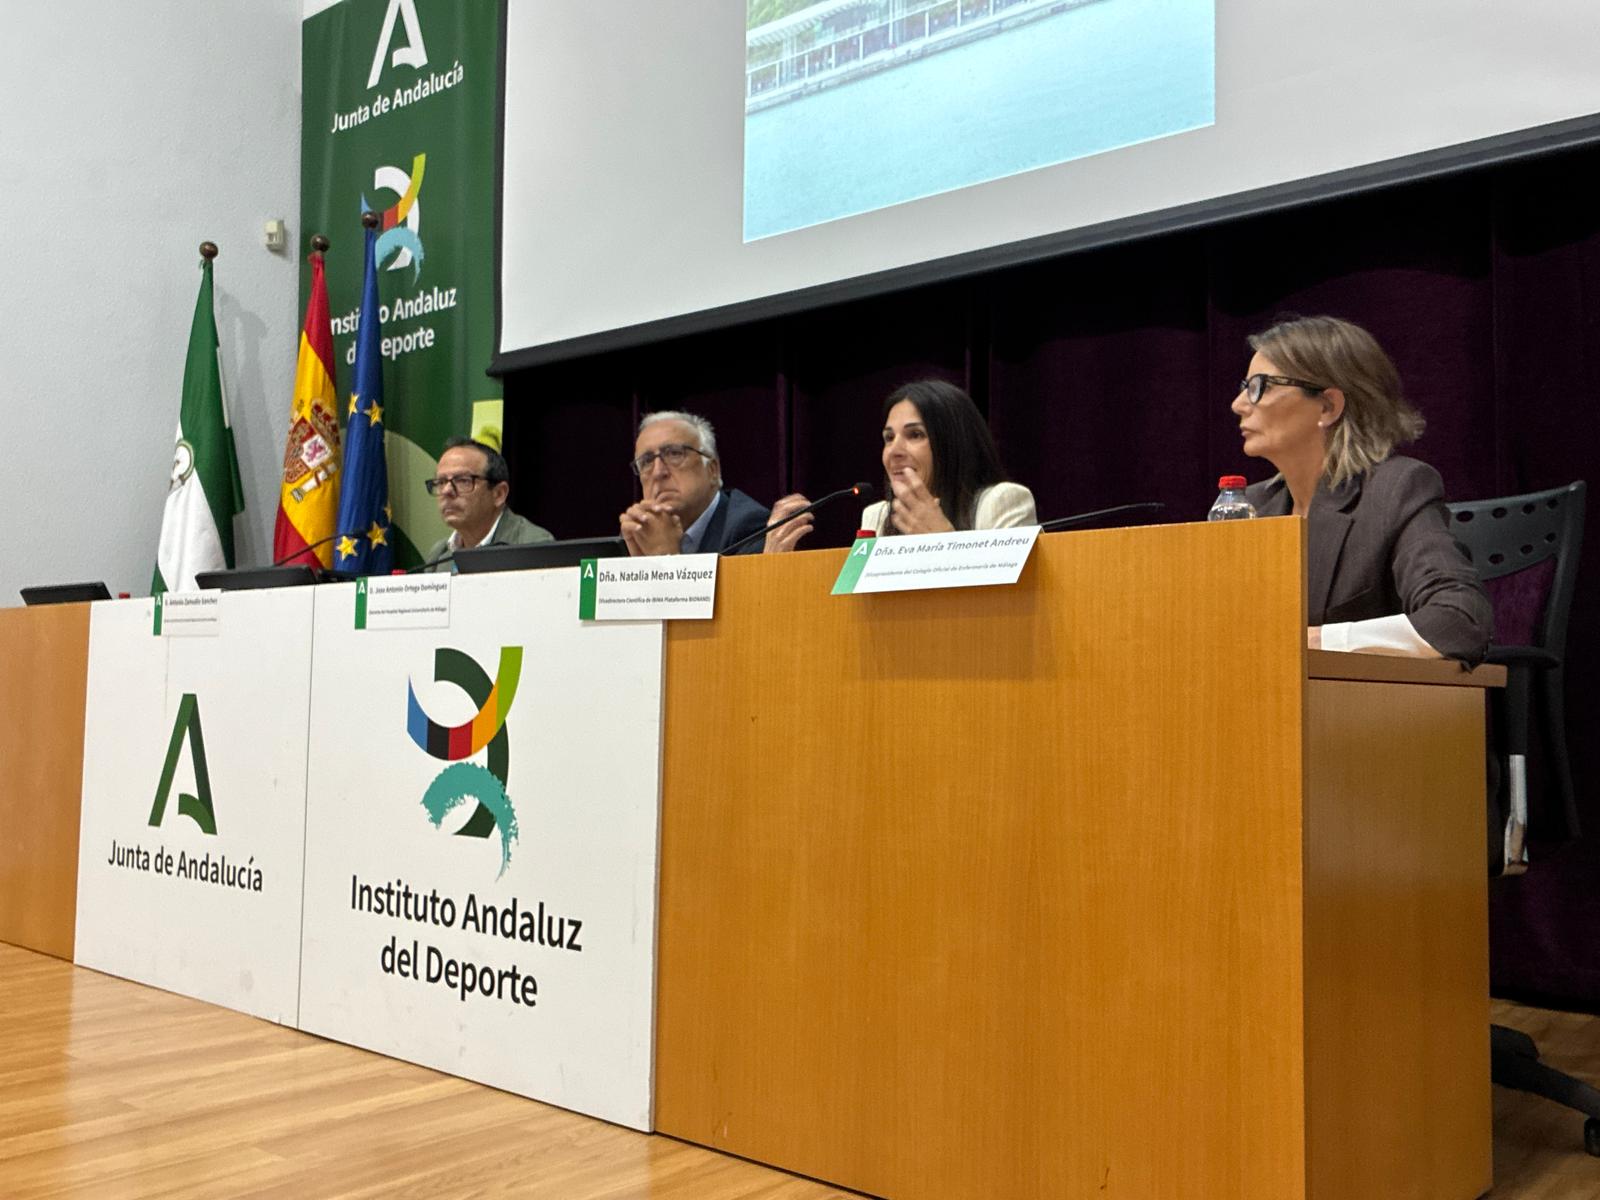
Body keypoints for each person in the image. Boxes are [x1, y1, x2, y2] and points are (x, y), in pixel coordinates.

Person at [1231, 315, 1491, 663]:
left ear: (1328, 406)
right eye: (1245, 386)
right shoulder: (1251, 506)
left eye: (1259, 387)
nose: (1238, 404)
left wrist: (1319, 640)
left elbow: (1458, 620)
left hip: (1361, 697)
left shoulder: (1395, 491)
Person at [764, 379, 1035, 552]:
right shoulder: (877, 516)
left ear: (954, 442)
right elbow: (858, 608)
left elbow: (1012, 606)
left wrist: (943, 542)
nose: (894, 451)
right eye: (888, 438)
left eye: (915, 435)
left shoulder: (1002, 502)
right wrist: (775, 565)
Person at [620, 411, 770, 555]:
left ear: (712, 470)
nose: (658, 472)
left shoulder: (748, 529)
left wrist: (665, 557)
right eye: (646, 461)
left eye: (674, 453)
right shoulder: (639, 532)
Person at [421, 437, 553, 570]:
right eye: (441, 482)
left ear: (499, 494)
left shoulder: (533, 546)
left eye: (463, 481)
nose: (446, 491)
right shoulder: (439, 555)